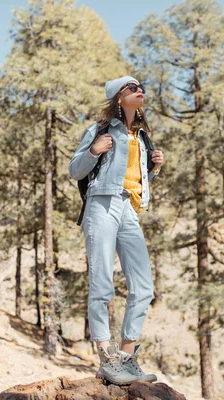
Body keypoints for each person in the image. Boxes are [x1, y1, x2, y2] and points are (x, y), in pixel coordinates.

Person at [68, 76, 164, 386]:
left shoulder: (142, 136)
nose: (140, 92)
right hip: (102, 204)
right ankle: (105, 355)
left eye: (141, 88)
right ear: (118, 97)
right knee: (102, 282)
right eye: (132, 89)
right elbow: (74, 170)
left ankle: (125, 357)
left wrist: (153, 168)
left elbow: (135, 177)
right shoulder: (100, 130)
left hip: (129, 208)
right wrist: (94, 150)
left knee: (144, 286)